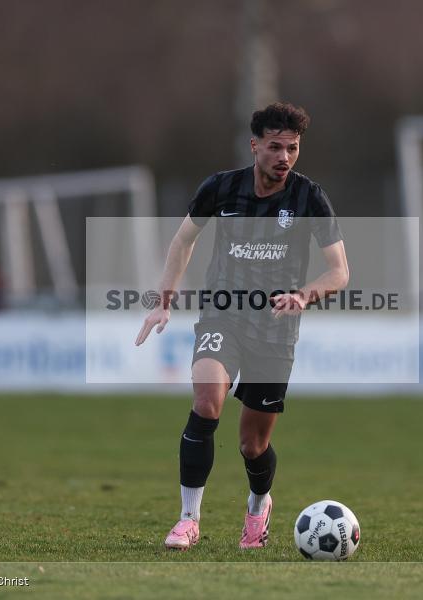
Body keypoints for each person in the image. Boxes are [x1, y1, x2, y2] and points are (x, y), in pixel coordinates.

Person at [135, 102, 349, 550]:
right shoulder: (221, 188)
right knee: (207, 400)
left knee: (253, 444)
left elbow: (339, 272)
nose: (284, 157)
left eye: (292, 148)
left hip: (275, 329)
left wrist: (304, 295)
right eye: (275, 147)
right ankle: (188, 519)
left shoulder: (310, 197)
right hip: (222, 315)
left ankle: (258, 507)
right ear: (254, 146)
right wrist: (162, 300)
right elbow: (183, 240)